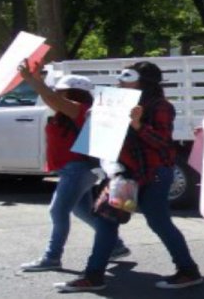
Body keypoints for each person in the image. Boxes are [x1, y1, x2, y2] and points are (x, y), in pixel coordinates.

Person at [53, 61, 203, 292]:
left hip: (153, 174)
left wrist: (137, 124)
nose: (120, 80)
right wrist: (98, 120)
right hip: (125, 173)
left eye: (127, 76)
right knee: (106, 219)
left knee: (159, 222)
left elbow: (163, 143)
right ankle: (94, 276)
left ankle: (188, 271)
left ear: (143, 81)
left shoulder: (160, 106)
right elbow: (104, 140)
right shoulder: (117, 102)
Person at [18, 60, 130, 272]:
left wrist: (34, 81)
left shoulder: (80, 109)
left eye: (62, 90)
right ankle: (116, 245)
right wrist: (37, 82)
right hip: (75, 169)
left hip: (77, 169)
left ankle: (52, 257)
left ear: (73, 93)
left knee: (57, 211)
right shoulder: (71, 109)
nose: (57, 93)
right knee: (83, 211)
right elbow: (50, 99)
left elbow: (50, 97)